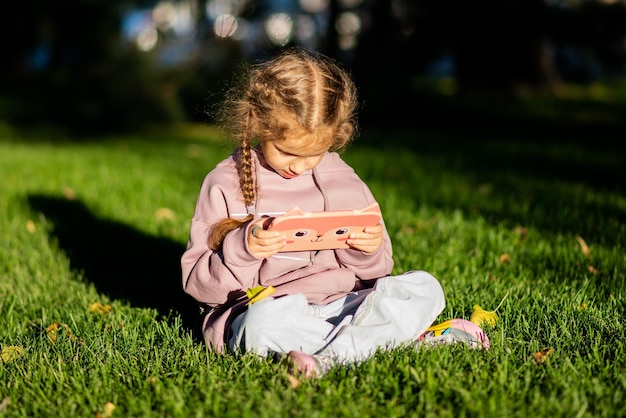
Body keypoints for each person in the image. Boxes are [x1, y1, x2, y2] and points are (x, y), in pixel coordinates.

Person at [181, 47, 489, 378]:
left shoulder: (343, 180)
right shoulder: (225, 182)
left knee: (425, 287)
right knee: (260, 325)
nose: (299, 167)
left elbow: (379, 270)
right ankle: (387, 345)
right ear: (258, 121)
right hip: (273, 310)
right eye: (287, 152)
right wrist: (244, 250)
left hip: (346, 304)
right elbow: (199, 288)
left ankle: (326, 356)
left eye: (314, 153)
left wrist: (367, 251)